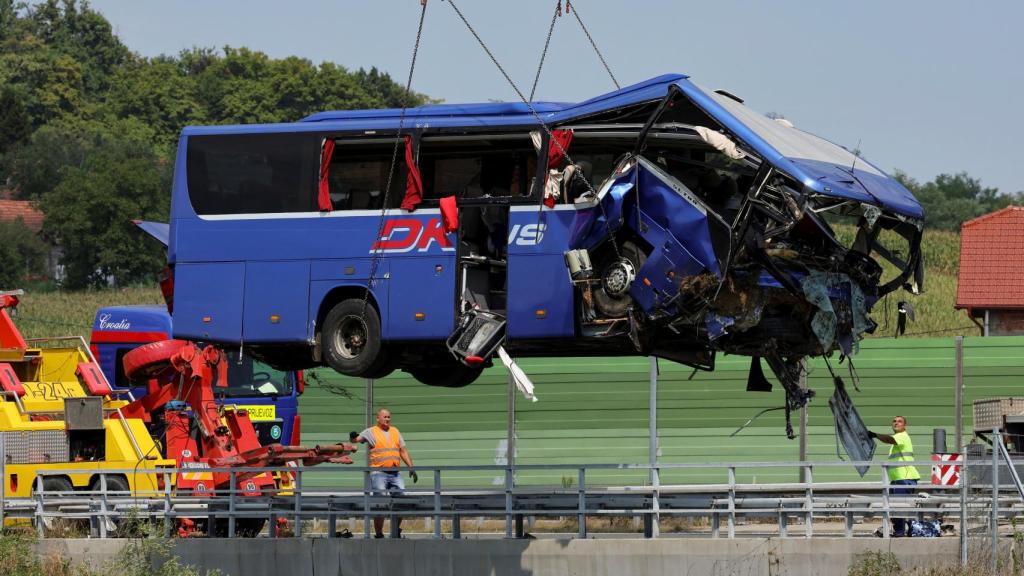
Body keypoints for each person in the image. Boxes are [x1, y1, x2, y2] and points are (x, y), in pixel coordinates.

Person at [350, 408, 418, 538]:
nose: (387, 419)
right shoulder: (370, 432)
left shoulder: (395, 431)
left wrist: (411, 467)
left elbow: (403, 450)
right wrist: (352, 437)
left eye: (389, 417)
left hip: (395, 473)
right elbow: (356, 440)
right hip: (378, 473)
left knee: (401, 502)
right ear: (378, 418)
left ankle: (395, 531)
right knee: (379, 504)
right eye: (385, 417)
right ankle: (379, 534)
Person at [868, 415, 921, 536]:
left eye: (900, 421)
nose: (896, 423)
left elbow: (889, 439)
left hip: (904, 478)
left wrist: (875, 435)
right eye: (894, 421)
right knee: (895, 507)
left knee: (898, 507)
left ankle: (900, 532)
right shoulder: (897, 440)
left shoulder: (902, 436)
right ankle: (901, 531)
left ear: (904, 426)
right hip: (897, 479)